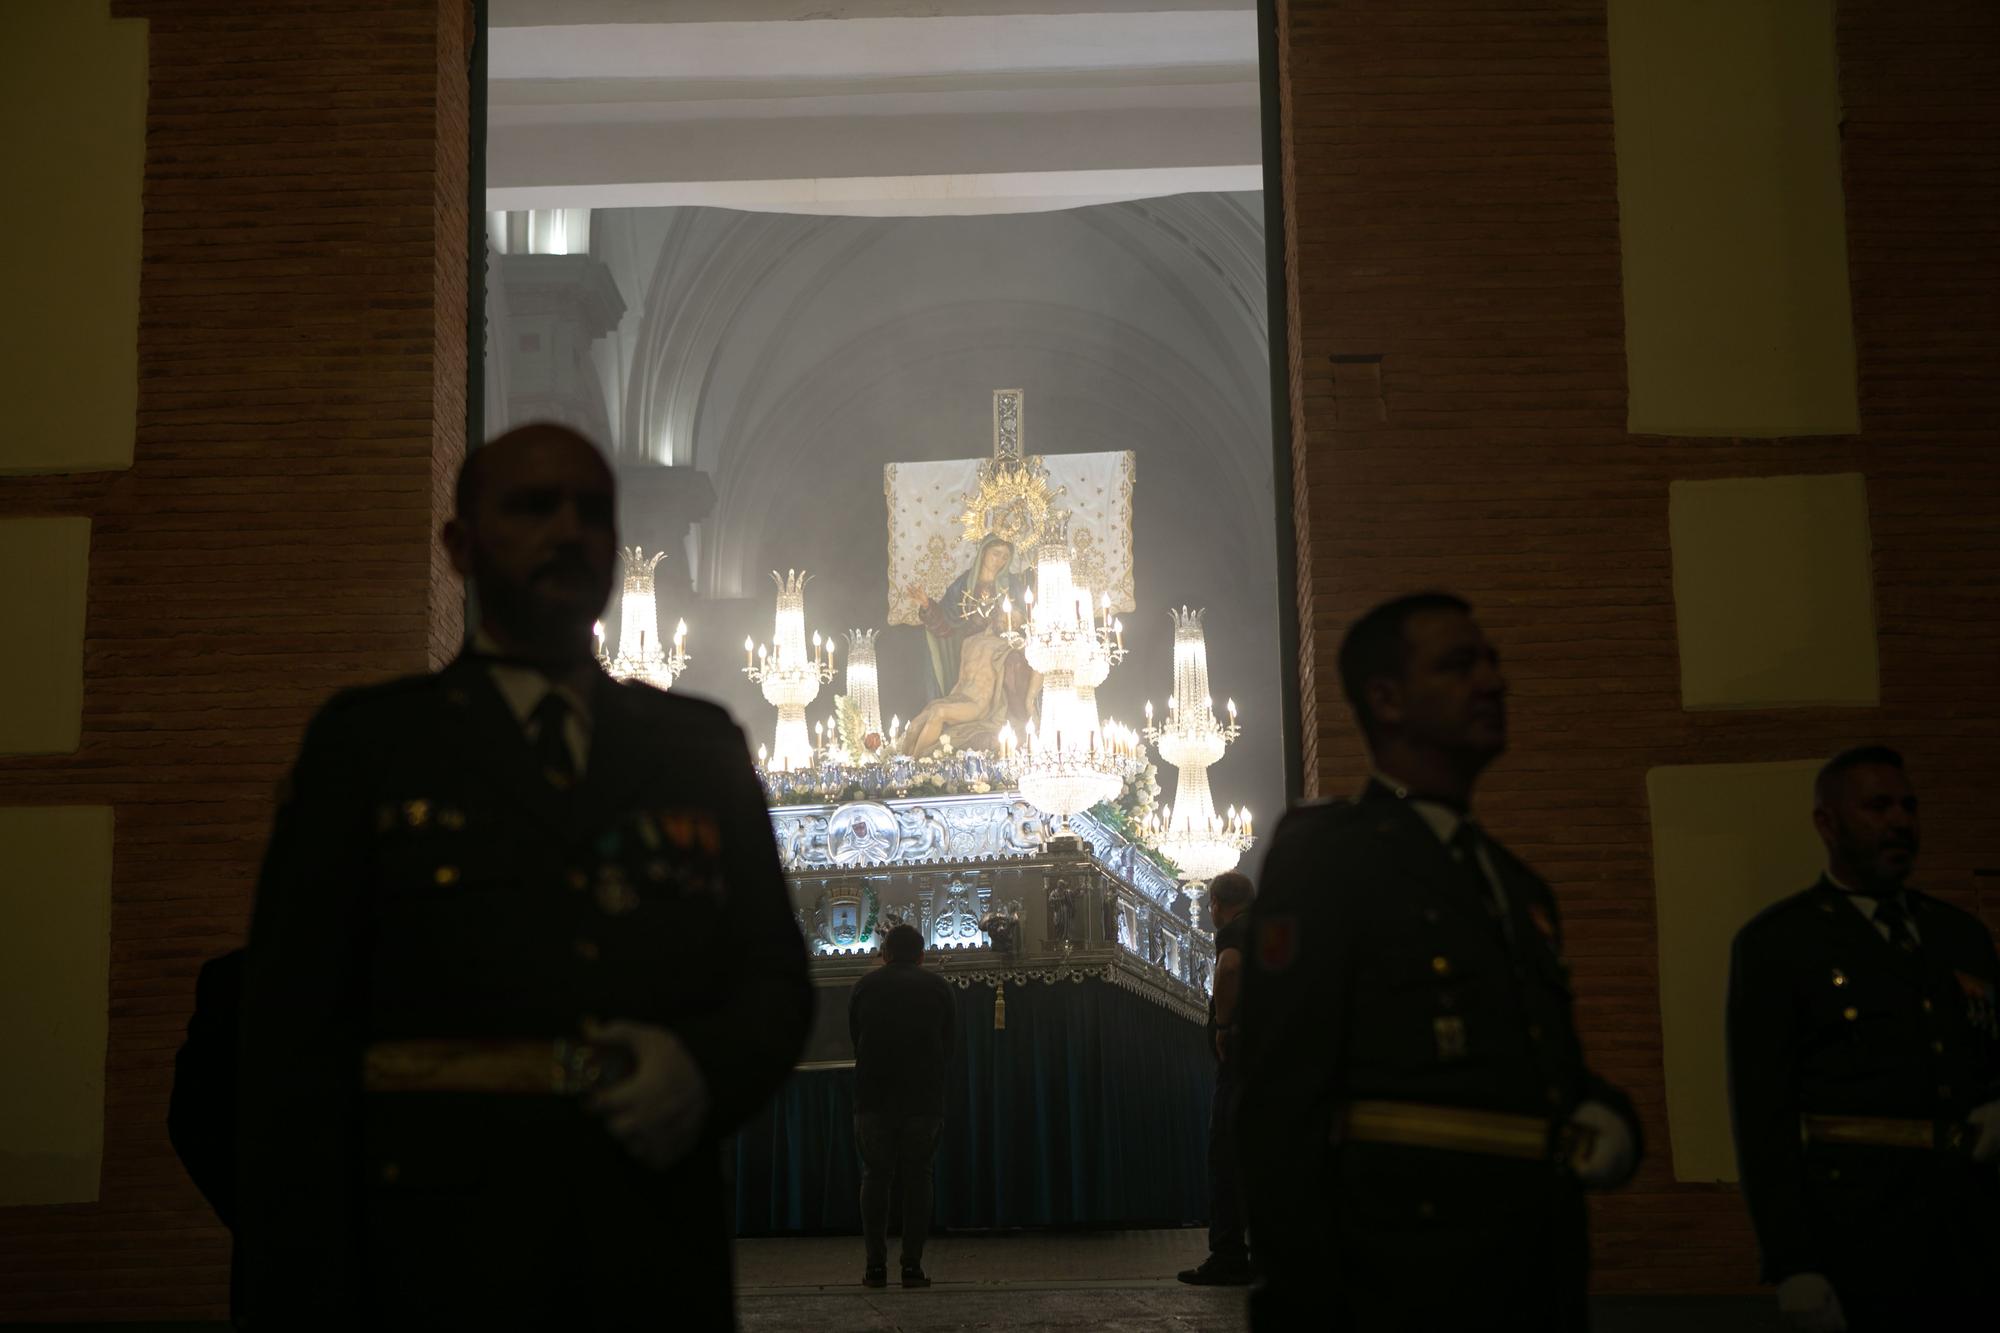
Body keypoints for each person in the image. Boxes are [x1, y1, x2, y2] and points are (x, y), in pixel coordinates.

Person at [235, 422, 813, 1329]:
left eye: (593, 512)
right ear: (460, 547)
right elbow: (290, 1021)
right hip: (437, 1254)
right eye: (533, 506)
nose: (569, 531)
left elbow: (775, 979)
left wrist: (703, 1068)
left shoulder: (698, 748)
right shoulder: (373, 746)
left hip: (648, 1246)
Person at [1235, 592, 1641, 1332]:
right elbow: (1282, 1102)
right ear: (1386, 700)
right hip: (1399, 1283)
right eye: (1458, 665)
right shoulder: (1330, 858)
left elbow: (1540, 1064)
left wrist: (1608, 1116)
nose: (1492, 682)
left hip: (1530, 1274)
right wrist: (1298, 1302)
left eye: (1492, 662)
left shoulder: (1515, 885)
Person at [1726, 745, 2000, 1332]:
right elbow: (1762, 1116)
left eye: (1909, 806)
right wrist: (1793, 1263)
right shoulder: (1780, 943)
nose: (1900, 820)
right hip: (1857, 1235)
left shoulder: (1960, 935)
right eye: (1877, 806)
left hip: (1973, 1231)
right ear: (1827, 824)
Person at [847, 922, 956, 1289]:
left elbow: (855, 1037)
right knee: (918, 1177)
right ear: (922, 955)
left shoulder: (865, 986)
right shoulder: (939, 988)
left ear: (885, 954)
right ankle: (912, 1266)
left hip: (874, 1097)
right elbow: (948, 1044)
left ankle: (875, 1267)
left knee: (875, 1176)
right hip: (923, 1098)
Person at [1180, 870, 1255, 1286]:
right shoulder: (1267, 927)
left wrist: (1224, 1026)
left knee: (1225, 1157)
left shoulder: (1234, 933)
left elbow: (1229, 970)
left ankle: (1227, 1255)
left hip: (1239, 1059)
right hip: (1267, 1061)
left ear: (1216, 905)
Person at [899, 534, 1036, 756]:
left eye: (1005, 556)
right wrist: (926, 605)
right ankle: (905, 762)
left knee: (1015, 662)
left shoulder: (1012, 585)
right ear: (983, 553)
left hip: (1000, 651)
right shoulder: (964, 585)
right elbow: (946, 623)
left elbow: (1026, 621)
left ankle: (1017, 718)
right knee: (927, 715)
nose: (1000, 560)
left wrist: (1016, 621)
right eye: (995, 554)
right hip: (970, 656)